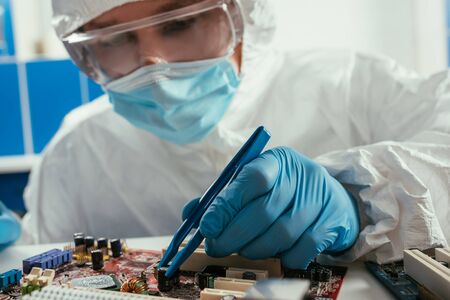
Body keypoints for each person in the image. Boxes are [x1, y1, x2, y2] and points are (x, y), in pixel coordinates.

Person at [20, 0, 449, 269]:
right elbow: (39, 264)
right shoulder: (76, 153)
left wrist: (364, 200)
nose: (154, 65)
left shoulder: (351, 83)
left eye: (179, 24)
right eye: (115, 40)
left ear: (242, 15)